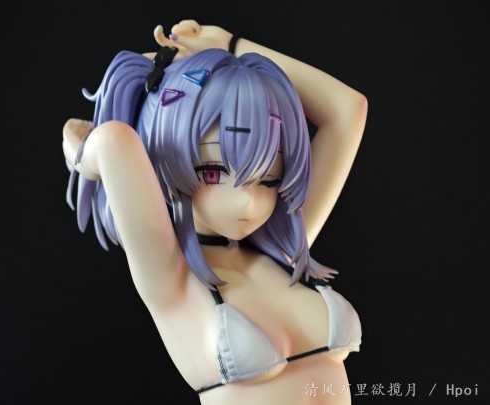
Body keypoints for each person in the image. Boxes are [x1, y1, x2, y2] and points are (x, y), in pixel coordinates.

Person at [62, 19, 367, 405]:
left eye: (268, 179)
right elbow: (114, 140)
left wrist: (229, 44)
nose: (247, 202)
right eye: (212, 172)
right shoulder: (171, 276)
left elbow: (349, 110)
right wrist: (83, 158)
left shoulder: (284, 249)